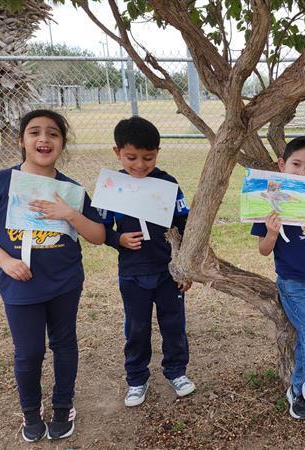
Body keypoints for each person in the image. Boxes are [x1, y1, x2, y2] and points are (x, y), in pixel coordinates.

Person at [0, 109, 105, 442]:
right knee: (28, 352)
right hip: (20, 284)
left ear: (62, 143)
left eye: (53, 134)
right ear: (21, 140)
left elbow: (98, 236)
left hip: (64, 282)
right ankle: (30, 412)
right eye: (35, 132)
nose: (44, 139)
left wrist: (70, 214)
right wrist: (4, 261)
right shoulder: (0, 182)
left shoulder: (71, 189)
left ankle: (62, 406)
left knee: (64, 344)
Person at [101, 116, 194, 408]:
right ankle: (137, 379)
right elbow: (100, 227)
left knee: (174, 323)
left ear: (157, 153)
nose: (139, 165)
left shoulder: (168, 184)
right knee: (137, 327)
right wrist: (117, 239)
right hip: (132, 273)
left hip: (168, 272)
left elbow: (186, 223)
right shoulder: (112, 187)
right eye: (131, 158)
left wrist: (184, 266)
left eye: (148, 158)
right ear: (117, 152)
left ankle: (176, 372)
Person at [251, 136, 305, 427]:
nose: (301, 173)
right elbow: (263, 249)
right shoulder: (270, 199)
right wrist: (272, 233)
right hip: (293, 284)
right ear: (281, 165)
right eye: (296, 165)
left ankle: (297, 392)